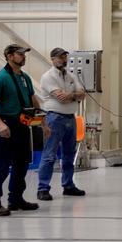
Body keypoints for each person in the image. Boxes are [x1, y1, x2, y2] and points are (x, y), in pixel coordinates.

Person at [0, 44, 41, 216]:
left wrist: (42, 122)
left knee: (21, 164)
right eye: (20, 54)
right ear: (9, 56)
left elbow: (32, 99)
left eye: (24, 54)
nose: (24, 56)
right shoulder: (0, 78)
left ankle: (15, 199)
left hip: (23, 123)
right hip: (7, 124)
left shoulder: (25, 78)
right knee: (1, 165)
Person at [34, 47, 86, 201]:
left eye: (64, 57)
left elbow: (82, 94)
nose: (63, 59)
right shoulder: (48, 77)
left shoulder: (70, 75)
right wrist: (74, 95)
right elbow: (61, 98)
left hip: (71, 118)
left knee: (69, 154)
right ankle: (43, 188)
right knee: (49, 155)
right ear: (52, 59)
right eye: (60, 57)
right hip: (54, 119)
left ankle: (68, 185)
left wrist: (72, 96)